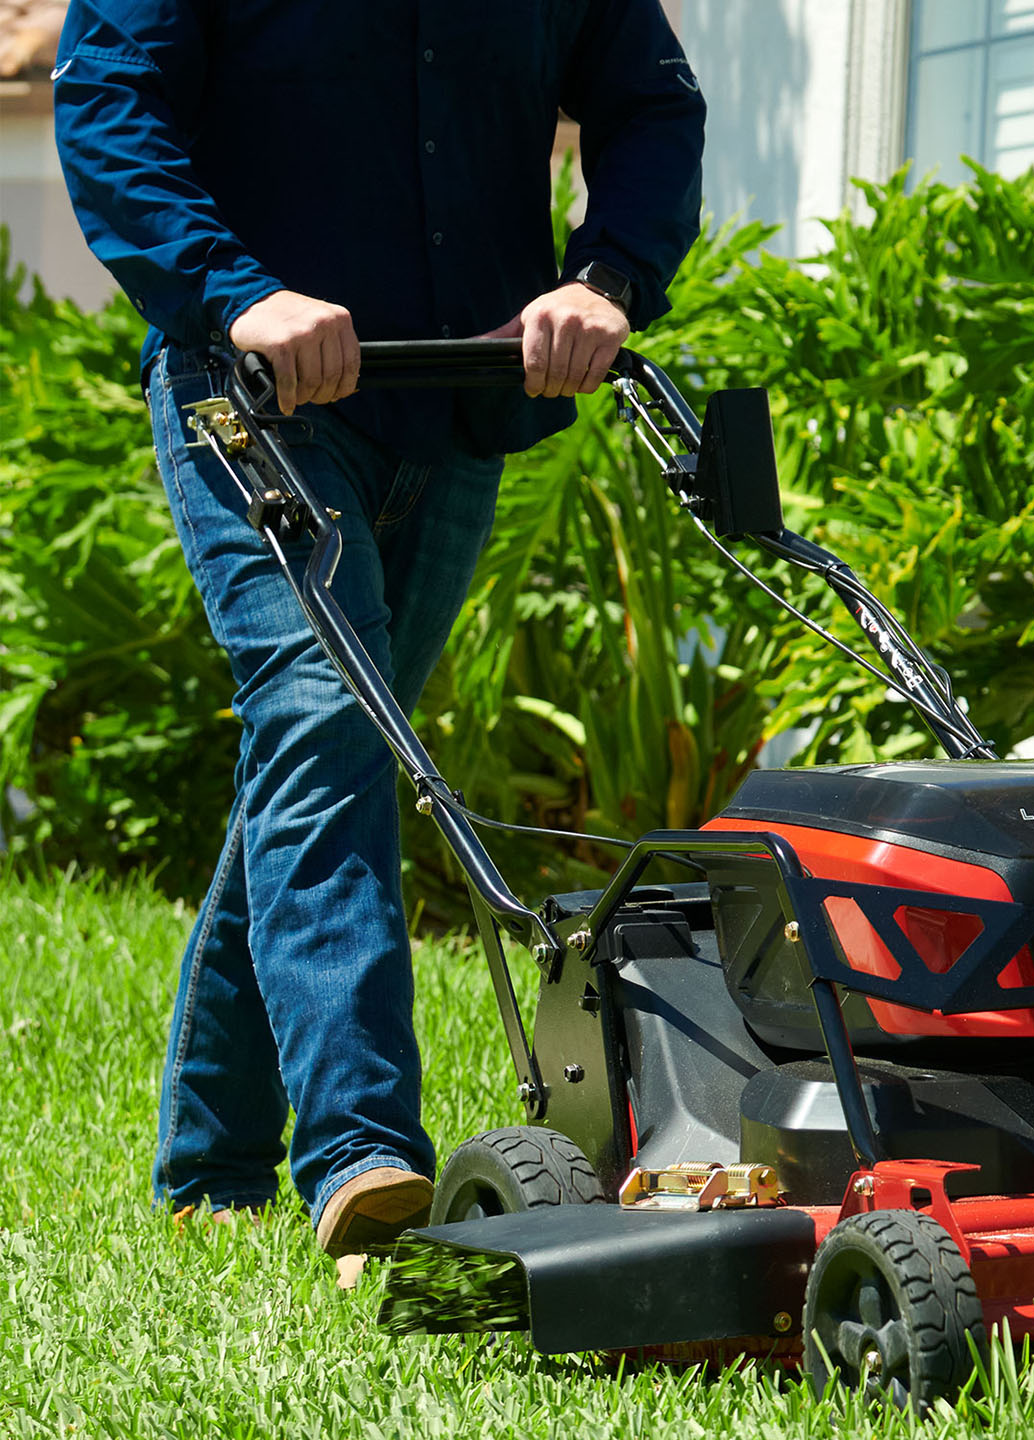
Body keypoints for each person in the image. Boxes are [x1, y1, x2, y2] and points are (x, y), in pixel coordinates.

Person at [51, 0, 704, 1255]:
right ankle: (361, 1155)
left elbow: (651, 101)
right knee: (323, 718)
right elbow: (109, 104)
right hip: (249, 394)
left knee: (329, 752)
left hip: (459, 404)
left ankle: (211, 1169)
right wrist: (236, 291)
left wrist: (606, 275)